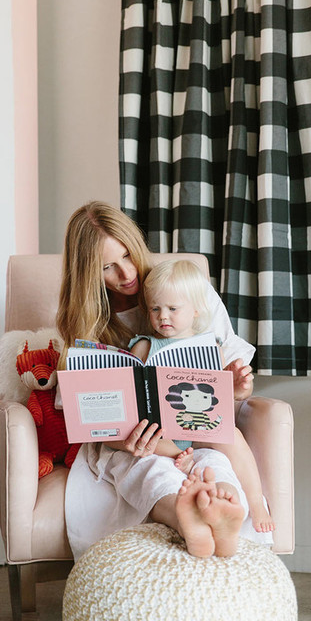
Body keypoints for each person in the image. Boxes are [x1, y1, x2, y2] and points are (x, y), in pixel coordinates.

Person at [56, 201, 270, 560]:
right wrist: (123, 440)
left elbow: (220, 388)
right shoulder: (86, 319)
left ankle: (222, 510)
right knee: (150, 469)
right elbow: (82, 408)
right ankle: (187, 515)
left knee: (215, 460)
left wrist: (237, 392)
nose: (125, 273)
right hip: (128, 440)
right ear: (88, 273)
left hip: (194, 425)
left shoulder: (183, 287)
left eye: (127, 255)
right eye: (107, 267)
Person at [128, 258, 274, 534]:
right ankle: (183, 455)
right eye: (155, 309)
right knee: (145, 435)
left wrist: (237, 386)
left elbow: (222, 399)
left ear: (196, 309)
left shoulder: (211, 347)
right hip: (162, 431)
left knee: (232, 436)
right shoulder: (145, 346)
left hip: (198, 426)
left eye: (173, 309)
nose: (163, 316)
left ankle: (256, 503)